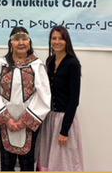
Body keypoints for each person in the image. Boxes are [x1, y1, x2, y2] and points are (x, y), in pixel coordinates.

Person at [0, 27, 51, 171]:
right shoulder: (0, 64)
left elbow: (43, 95)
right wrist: (6, 120)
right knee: (6, 164)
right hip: (4, 123)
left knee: (27, 165)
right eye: (16, 39)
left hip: (28, 124)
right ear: (10, 43)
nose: (21, 42)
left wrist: (25, 121)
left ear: (29, 42)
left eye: (24, 39)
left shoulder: (36, 65)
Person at [35, 25, 84, 171]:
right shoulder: (49, 61)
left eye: (60, 38)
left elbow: (74, 100)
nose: (57, 42)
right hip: (48, 118)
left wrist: (64, 131)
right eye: (53, 38)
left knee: (62, 162)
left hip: (64, 120)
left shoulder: (73, 63)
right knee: (46, 161)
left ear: (66, 41)